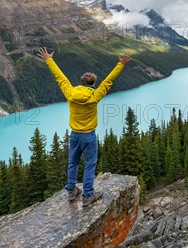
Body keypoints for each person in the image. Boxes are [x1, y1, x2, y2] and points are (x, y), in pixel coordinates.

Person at [37, 47, 131, 206]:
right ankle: (87, 195)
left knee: (72, 162)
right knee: (89, 164)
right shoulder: (94, 96)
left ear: (81, 83)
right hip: (88, 136)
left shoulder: (70, 93)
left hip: (74, 135)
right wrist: (120, 64)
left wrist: (49, 59)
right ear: (93, 84)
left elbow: (60, 77)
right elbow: (109, 81)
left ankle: (72, 191)